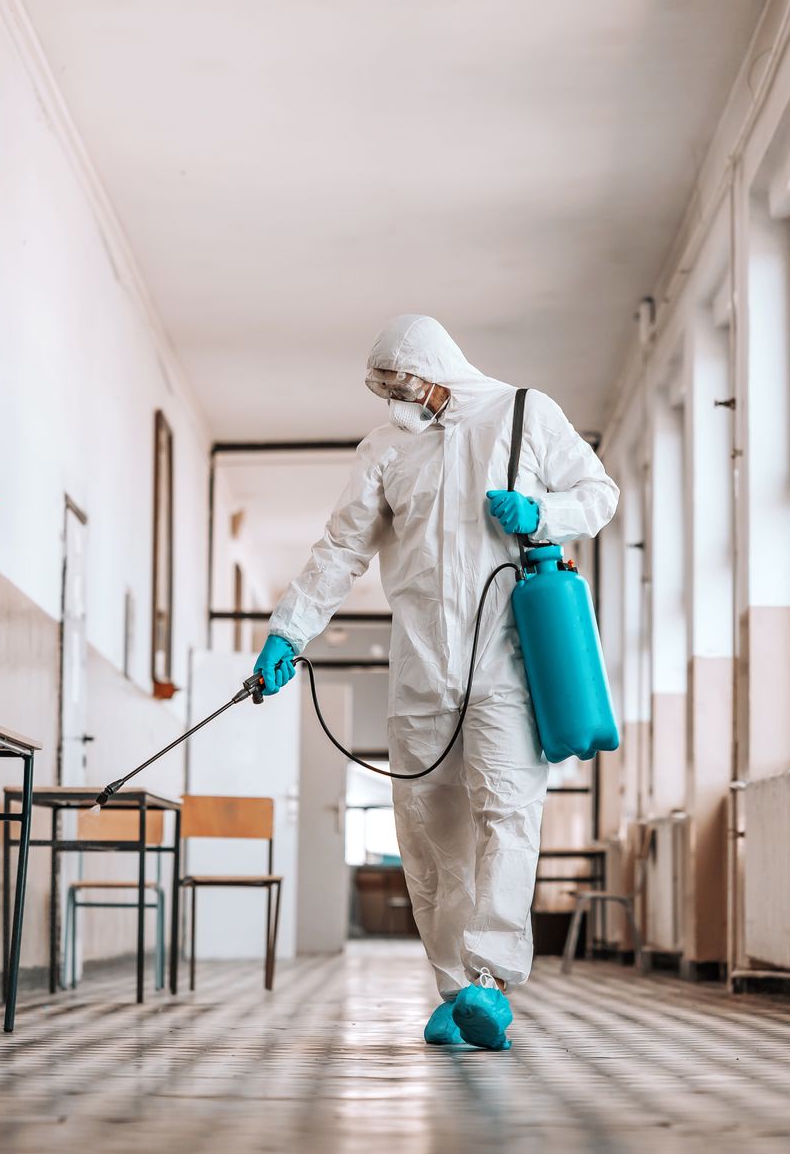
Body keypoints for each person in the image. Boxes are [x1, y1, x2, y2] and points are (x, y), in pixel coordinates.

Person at [251, 314, 618, 1051]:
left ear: (436, 367)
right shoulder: (386, 450)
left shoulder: (525, 414)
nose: (396, 398)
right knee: (425, 833)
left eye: (404, 382)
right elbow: (342, 548)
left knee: (508, 816)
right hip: (419, 669)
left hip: (508, 665)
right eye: (383, 388)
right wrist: (289, 630)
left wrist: (544, 513)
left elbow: (599, 493)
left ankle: (489, 982)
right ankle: (454, 989)